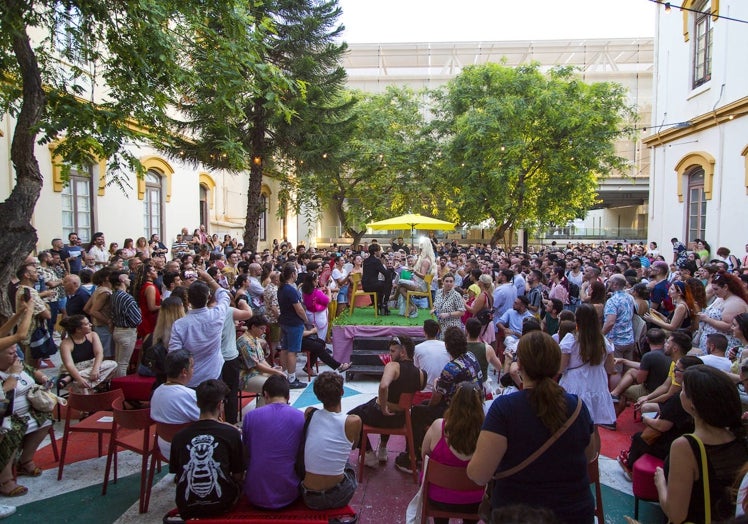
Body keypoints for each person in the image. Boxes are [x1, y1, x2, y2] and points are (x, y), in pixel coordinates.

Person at [467, 331, 596, 524]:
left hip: (517, 515)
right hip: (575, 513)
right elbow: (589, 455)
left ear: (521, 366)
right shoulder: (577, 407)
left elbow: (479, 474)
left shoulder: (504, 409)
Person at [654, 365, 748, 523]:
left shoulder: (685, 446)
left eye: (683, 390)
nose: (680, 393)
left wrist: (660, 482)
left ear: (693, 404)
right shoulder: (739, 436)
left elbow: (676, 515)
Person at [401, 327, 483, 474]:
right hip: (475, 403)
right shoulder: (471, 356)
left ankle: (411, 456)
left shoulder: (451, 368)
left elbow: (436, 398)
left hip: (457, 409)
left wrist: (436, 386)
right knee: (423, 406)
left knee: (418, 412)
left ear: (447, 346)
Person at [618, 355, 702, 481]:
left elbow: (663, 426)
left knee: (639, 438)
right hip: (689, 441)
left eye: (677, 370)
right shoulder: (700, 394)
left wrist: (645, 419)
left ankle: (631, 468)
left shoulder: (679, 399)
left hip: (672, 445)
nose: (674, 372)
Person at [171, 380, 245, 519]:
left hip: (187, 506)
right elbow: (238, 475)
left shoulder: (179, 437)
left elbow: (177, 476)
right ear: (220, 404)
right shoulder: (231, 433)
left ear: (198, 403)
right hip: (223, 504)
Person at [348, 335, 426, 467]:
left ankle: (368, 453)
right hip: (401, 418)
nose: (389, 354)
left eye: (392, 351)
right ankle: (383, 447)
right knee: (373, 405)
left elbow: (383, 386)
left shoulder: (393, 366)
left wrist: (383, 406)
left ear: (402, 352)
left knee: (350, 417)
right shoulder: (421, 373)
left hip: (381, 415)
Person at [420, 381, 485, 524]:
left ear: (453, 401)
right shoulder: (486, 432)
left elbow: (424, 454)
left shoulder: (438, 426)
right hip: (473, 501)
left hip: (439, 498)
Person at [0, 340, 55, 497]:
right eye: (11, 353)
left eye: (15, 351)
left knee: (46, 419)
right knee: (11, 430)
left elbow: (33, 371)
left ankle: (25, 460)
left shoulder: (18, 363)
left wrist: (44, 379)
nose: (16, 355)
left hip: (28, 411)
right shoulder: (9, 372)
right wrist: (15, 374)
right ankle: (5, 479)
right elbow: (4, 394)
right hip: (6, 418)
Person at [241, 375, 304, 509]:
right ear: (288, 397)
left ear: (265, 395)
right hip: (290, 492)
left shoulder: (250, 417)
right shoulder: (300, 417)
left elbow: (246, 451)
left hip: (254, 493)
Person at [302, 372, 361, 510]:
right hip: (338, 496)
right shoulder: (353, 421)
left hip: (309, 496)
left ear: (318, 396)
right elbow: (354, 446)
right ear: (342, 392)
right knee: (347, 462)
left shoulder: (309, 413)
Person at [559, 304, 616, 434]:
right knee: (594, 429)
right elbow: (610, 368)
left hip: (575, 383)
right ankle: (594, 454)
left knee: (573, 425)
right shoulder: (603, 341)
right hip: (597, 383)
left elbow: (561, 368)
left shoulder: (571, 339)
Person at [169, 270, 230, 388]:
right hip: (211, 373)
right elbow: (224, 295)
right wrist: (209, 279)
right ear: (208, 297)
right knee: (212, 406)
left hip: (191, 377)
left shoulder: (180, 324)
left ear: (189, 300)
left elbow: (174, 353)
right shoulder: (217, 315)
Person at [150, 350, 200, 458]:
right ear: (184, 372)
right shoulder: (190, 395)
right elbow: (210, 420)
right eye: (192, 367)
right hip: (188, 449)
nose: (193, 370)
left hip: (163, 445)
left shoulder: (157, 391)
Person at [610, 328, 673, 407]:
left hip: (651, 391)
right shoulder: (668, 353)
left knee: (623, 390)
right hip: (664, 388)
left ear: (647, 340)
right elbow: (643, 365)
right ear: (664, 340)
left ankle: (615, 399)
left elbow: (640, 380)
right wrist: (624, 361)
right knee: (632, 371)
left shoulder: (648, 356)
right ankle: (614, 393)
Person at [57, 315, 117, 393]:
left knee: (113, 364)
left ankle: (70, 378)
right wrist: (79, 378)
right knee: (81, 383)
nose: (91, 325)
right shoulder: (66, 344)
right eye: (87, 324)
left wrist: (95, 369)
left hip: (91, 368)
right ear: (78, 329)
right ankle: (77, 380)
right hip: (75, 371)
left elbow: (99, 353)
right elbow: (69, 365)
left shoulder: (93, 335)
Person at [237, 316, 286, 405]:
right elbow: (256, 365)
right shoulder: (245, 342)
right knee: (271, 387)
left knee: (280, 380)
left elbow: (261, 359)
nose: (264, 331)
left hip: (257, 372)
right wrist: (274, 371)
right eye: (261, 329)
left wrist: (273, 369)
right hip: (246, 376)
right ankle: (260, 413)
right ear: (253, 327)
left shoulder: (255, 339)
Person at [697, 271, 748, 355]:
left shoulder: (735, 303)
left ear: (725, 287)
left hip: (724, 346)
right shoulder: (720, 298)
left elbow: (729, 326)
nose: (714, 292)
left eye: (716, 289)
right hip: (711, 343)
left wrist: (707, 319)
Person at [277, 262, 308, 389]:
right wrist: (305, 319)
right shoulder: (290, 290)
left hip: (284, 321)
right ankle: (291, 377)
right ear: (293, 274)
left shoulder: (281, 288)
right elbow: (299, 309)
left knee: (284, 349)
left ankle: (283, 375)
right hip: (294, 323)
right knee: (292, 351)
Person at [602, 274, 636, 390]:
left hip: (616, 340)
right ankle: (625, 394)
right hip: (629, 337)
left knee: (615, 370)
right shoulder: (630, 297)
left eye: (610, 282)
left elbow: (610, 322)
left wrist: (600, 334)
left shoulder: (613, 301)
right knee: (628, 369)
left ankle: (616, 395)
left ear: (615, 285)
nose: (608, 284)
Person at [109, 270, 142, 377]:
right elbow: (137, 319)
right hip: (127, 332)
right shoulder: (126, 297)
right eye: (127, 278)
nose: (130, 280)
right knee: (123, 364)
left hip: (117, 330)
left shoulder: (114, 295)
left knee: (117, 363)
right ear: (122, 280)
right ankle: (121, 387)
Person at [396, 237, 436, 317]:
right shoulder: (425, 259)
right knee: (401, 289)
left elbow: (423, 276)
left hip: (421, 286)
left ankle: (410, 305)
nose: (420, 250)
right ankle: (411, 307)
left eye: (421, 249)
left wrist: (414, 271)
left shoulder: (425, 261)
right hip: (418, 283)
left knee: (400, 282)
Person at [414, 320, 450, 393]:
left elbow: (415, 369)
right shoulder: (446, 346)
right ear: (437, 332)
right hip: (443, 389)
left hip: (428, 390)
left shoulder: (417, 348)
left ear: (424, 332)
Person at [361, 243, 393, 316]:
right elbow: (386, 273)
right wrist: (392, 268)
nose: (380, 252)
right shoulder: (376, 261)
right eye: (379, 251)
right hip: (372, 285)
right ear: (375, 252)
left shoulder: (365, 261)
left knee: (382, 285)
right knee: (388, 282)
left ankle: (380, 304)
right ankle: (384, 303)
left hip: (365, 285)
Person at [132, 262, 161, 339]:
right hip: (149, 320)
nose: (156, 272)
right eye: (154, 271)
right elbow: (152, 307)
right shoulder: (150, 287)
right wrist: (164, 304)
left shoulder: (148, 286)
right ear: (148, 274)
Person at [300, 271, 331, 342]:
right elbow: (328, 300)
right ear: (313, 282)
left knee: (312, 338)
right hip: (319, 318)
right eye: (316, 279)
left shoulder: (305, 291)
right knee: (320, 338)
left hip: (309, 316)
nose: (318, 280)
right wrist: (328, 290)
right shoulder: (317, 292)